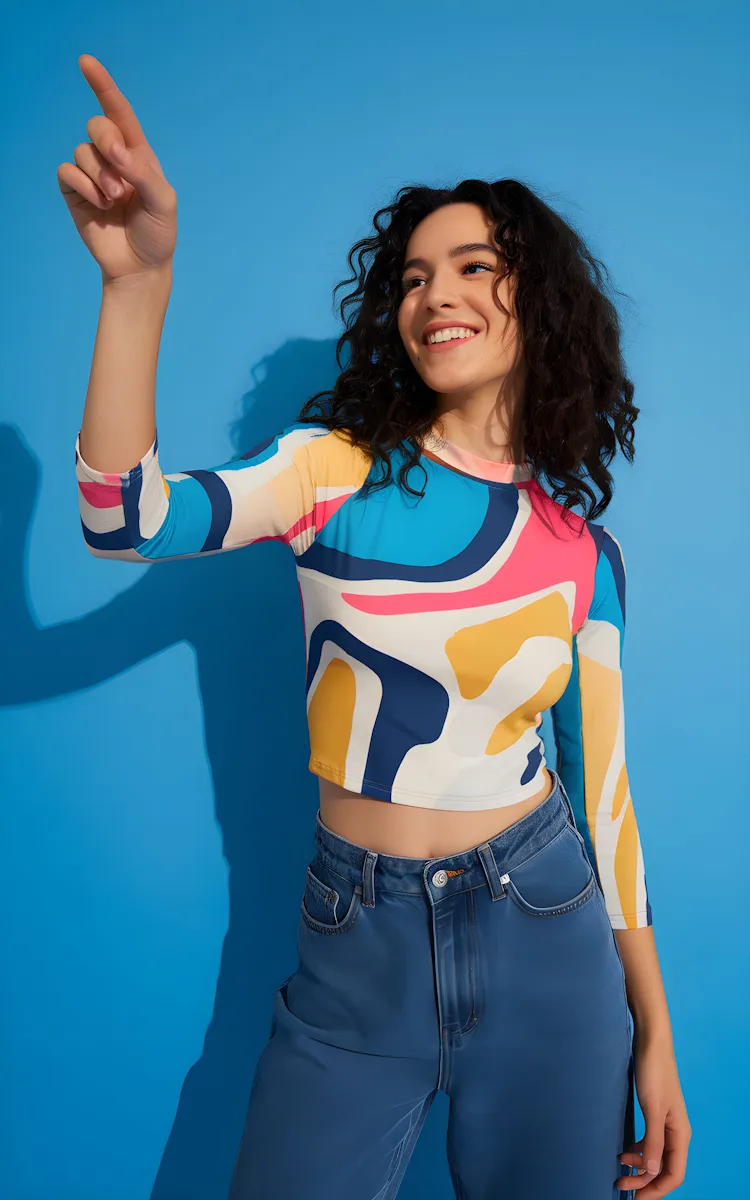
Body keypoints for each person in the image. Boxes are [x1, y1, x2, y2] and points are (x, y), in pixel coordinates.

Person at [59, 53, 691, 1200]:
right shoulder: (331, 473)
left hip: (547, 936)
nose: (433, 294)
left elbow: (607, 800)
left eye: (473, 266)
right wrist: (136, 286)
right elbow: (123, 516)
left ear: (535, 299)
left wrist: (656, 1030)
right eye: (411, 277)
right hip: (356, 948)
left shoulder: (584, 556)